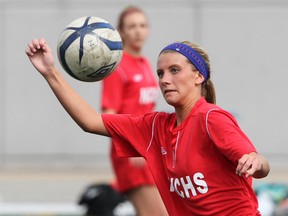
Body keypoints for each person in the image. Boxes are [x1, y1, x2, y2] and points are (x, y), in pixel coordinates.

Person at [25, 38, 270, 215]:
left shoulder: (211, 118)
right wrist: (50, 72)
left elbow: (260, 166)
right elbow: (90, 121)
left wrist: (255, 160)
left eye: (174, 70)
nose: (164, 80)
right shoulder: (155, 127)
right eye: (160, 73)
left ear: (199, 76)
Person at [100, 6, 167, 216]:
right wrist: (131, 145)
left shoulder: (146, 64)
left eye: (142, 25)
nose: (138, 31)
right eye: (132, 26)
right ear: (121, 31)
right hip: (132, 154)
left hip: (149, 151)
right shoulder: (117, 67)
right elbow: (108, 116)